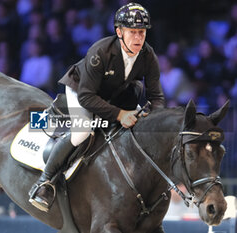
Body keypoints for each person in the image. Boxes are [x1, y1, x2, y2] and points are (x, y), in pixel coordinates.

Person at [29, 2, 165, 212]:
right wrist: (120, 114)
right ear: (119, 32)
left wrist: (157, 123)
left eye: (142, 32)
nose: (138, 37)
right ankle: (45, 182)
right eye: (132, 32)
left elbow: (156, 96)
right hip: (81, 91)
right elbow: (86, 97)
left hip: (114, 92)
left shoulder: (148, 55)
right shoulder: (100, 52)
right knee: (82, 131)